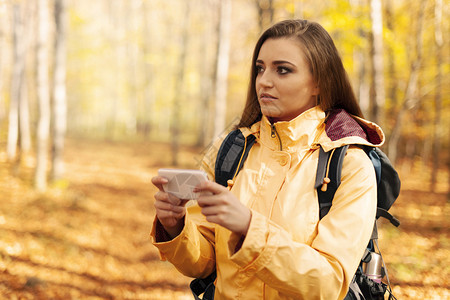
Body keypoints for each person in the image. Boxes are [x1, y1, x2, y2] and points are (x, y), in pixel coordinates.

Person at [150, 19, 384, 299]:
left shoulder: (351, 165)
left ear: (319, 82)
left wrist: (249, 228)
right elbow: (206, 264)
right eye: (260, 69)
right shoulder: (232, 150)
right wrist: (176, 225)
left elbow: (329, 282)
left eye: (282, 70)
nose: (264, 81)